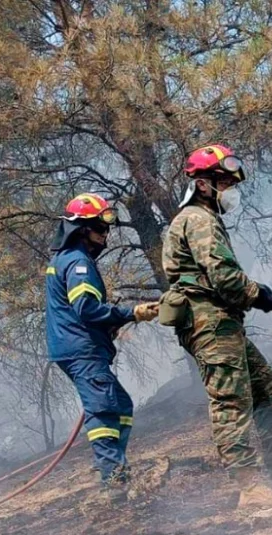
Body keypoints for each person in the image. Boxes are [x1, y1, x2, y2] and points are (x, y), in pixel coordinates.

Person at [159, 144, 272, 508]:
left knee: (266, 390)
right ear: (205, 184)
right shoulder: (197, 219)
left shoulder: (205, 219)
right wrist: (271, 300)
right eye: (225, 182)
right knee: (232, 401)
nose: (231, 190)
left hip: (224, 322)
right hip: (209, 323)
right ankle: (250, 488)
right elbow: (225, 278)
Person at [45, 193, 159, 501]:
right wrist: (130, 312)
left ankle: (116, 471)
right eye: (100, 228)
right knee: (105, 410)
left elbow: (78, 311)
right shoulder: (79, 263)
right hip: (82, 350)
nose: (105, 235)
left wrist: (115, 321)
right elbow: (86, 308)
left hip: (75, 347)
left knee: (120, 405)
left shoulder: (62, 260)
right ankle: (113, 482)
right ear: (82, 229)